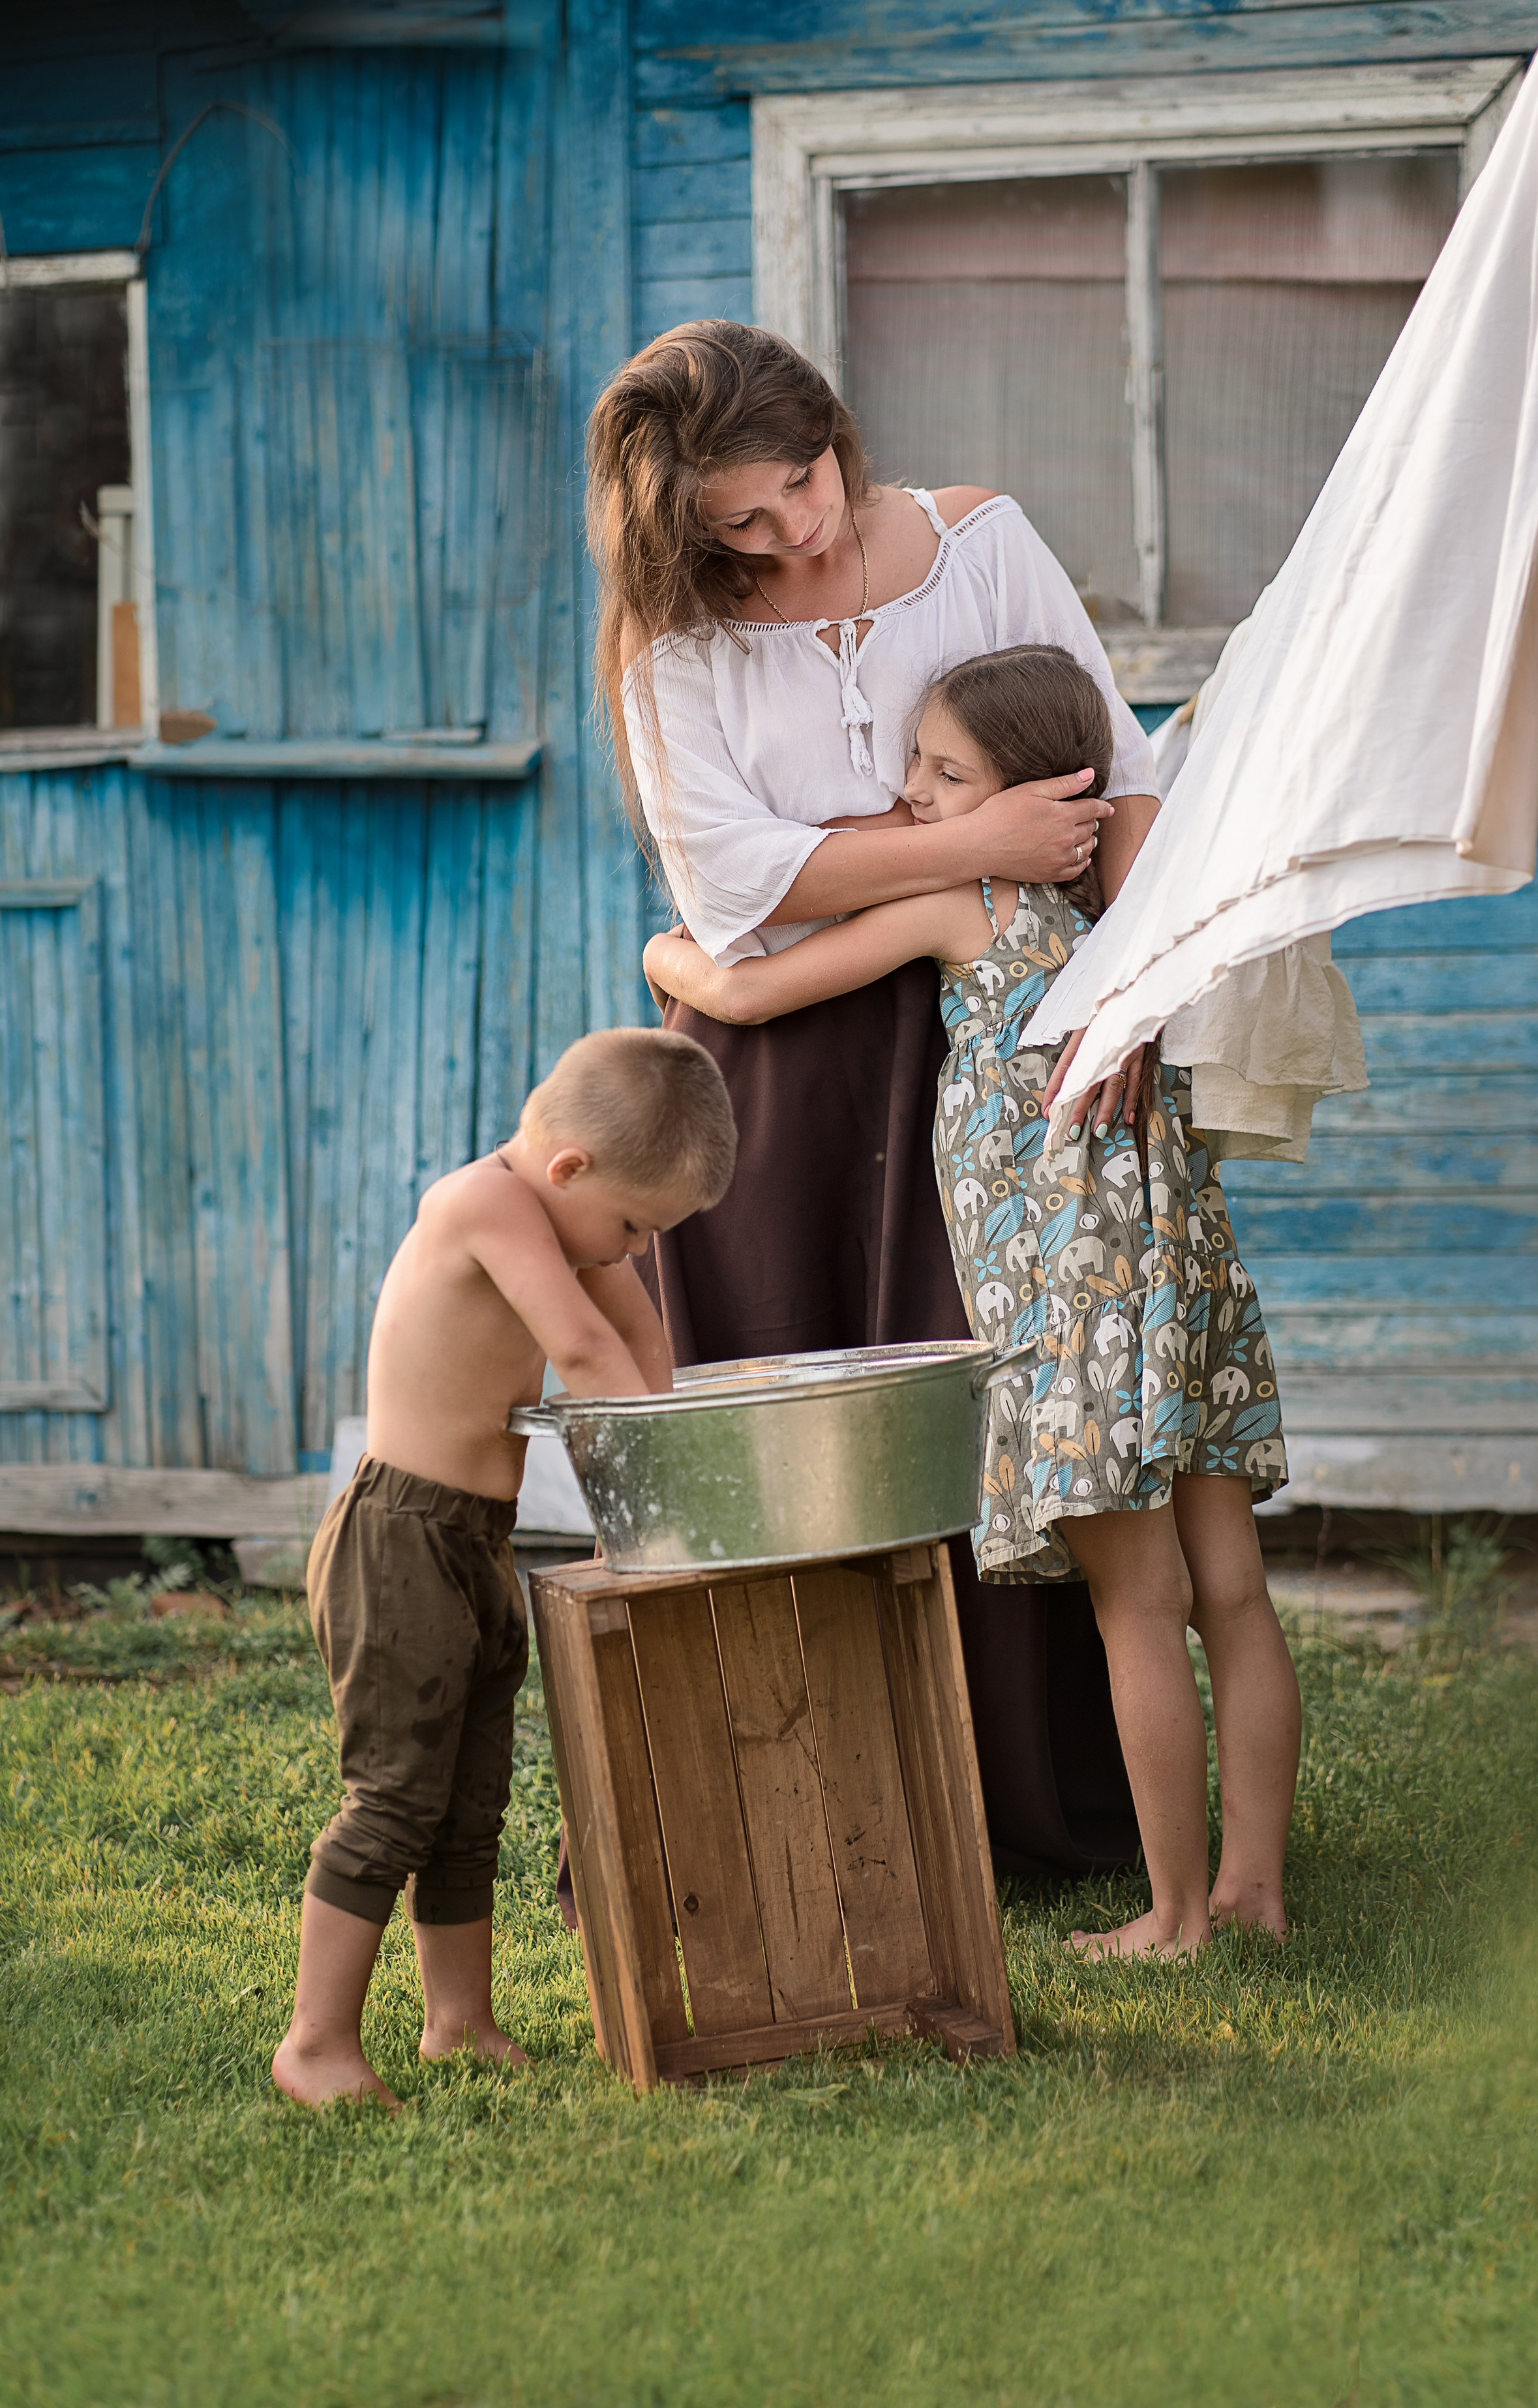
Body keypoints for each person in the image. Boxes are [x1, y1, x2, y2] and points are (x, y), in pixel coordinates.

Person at [588, 318, 1161, 1878]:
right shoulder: (674, 641)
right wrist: (976, 845)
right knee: (790, 1418)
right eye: (741, 528)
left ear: (832, 432)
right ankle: (796, 1807)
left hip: (986, 1044)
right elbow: (733, 887)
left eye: (799, 488)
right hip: (766, 1077)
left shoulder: (981, 547)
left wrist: (1125, 1003)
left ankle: (1005, 1808)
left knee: (982, 1416)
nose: (790, 535)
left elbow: (1114, 777)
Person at [645, 647, 1300, 1959]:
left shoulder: (972, 902)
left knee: (1134, 1600)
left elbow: (756, 983)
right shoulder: (1143, 926)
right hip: (1180, 1272)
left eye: (946, 773)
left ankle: (1173, 1916)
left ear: (1038, 796)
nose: (914, 794)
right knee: (1229, 1589)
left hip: (1072, 1294)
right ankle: (1252, 1890)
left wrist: (669, 945)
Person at [272, 1029, 736, 2107]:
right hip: (398, 1543)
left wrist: (665, 1484)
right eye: (632, 1225)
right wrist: (652, 1515)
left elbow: (642, 1347)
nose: (630, 1248)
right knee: (393, 1801)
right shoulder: (481, 1206)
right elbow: (581, 1352)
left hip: (478, 1540)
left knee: (470, 1800)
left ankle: (458, 2021)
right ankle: (316, 2044)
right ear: (569, 1167)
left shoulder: (573, 1221)